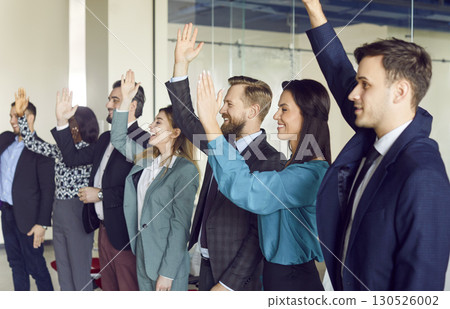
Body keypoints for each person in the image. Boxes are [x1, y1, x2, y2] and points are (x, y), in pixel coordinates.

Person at [302, 0, 450, 290]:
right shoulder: (376, 142)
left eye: (365, 85)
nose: (353, 93)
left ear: (400, 92)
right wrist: (314, 11)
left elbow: (420, 288)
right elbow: (339, 74)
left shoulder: (422, 175)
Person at [166, 23, 285, 291]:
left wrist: (228, 285)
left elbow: (258, 234)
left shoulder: (270, 160)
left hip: (235, 279)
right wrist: (180, 65)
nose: (221, 110)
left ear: (253, 111)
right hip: (206, 264)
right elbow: (186, 120)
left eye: (229, 104)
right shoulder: (220, 142)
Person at [195, 72, 329, 291]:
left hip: (293, 281)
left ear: (307, 116)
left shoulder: (310, 174)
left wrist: (210, 122)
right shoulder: (293, 168)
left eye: (284, 109)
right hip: (276, 276)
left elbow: (246, 188)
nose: (276, 116)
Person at [50, 80, 150, 291]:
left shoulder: (144, 141)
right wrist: (61, 122)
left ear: (131, 105)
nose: (108, 105)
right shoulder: (105, 139)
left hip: (125, 233)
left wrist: (102, 195)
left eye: (115, 99)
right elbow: (71, 158)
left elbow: (141, 190)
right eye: (109, 99)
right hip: (103, 231)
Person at [109, 70, 199, 291]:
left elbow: (180, 227)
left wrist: (167, 274)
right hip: (143, 255)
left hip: (167, 266)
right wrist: (127, 100)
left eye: (158, 122)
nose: (151, 126)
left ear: (175, 132)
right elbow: (118, 138)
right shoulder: (147, 159)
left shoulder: (185, 170)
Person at [14, 88, 99, 291]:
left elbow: (71, 160)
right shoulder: (61, 150)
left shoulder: (89, 149)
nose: (69, 128)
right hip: (59, 211)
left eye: (71, 122)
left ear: (81, 126)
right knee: (64, 272)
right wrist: (21, 116)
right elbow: (33, 144)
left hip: (77, 210)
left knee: (79, 272)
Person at [0, 89, 55, 291]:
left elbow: (48, 190)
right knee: (15, 264)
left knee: (36, 267)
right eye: (11, 116)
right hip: (6, 213)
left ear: (29, 117)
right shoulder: (5, 140)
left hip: (30, 220)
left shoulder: (42, 150)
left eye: (16, 116)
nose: (12, 120)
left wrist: (42, 223)